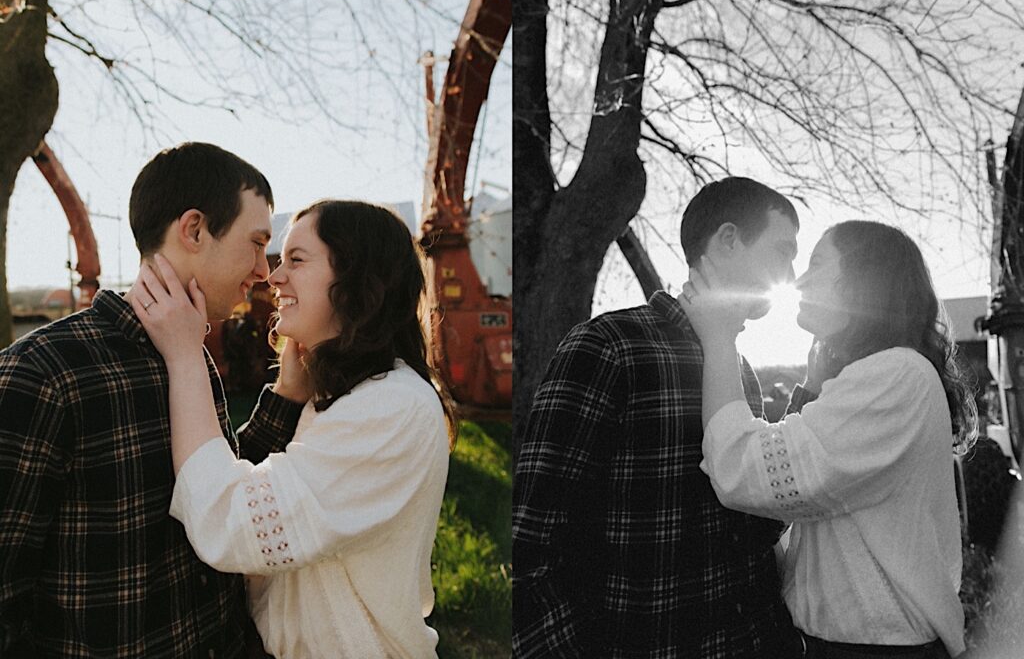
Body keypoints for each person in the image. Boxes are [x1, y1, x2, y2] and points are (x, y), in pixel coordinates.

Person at [0, 142, 303, 658]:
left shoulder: (187, 353)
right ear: (194, 230)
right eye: (255, 243)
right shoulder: (43, 373)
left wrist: (287, 394)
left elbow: (216, 490)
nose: (262, 269)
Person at [130, 199, 456, 659]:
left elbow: (230, 523)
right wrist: (289, 391)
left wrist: (185, 357)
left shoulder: (393, 406)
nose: (273, 276)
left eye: (296, 260)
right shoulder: (346, 397)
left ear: (360, 281)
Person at [513, 177, 802, 658]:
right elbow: (531, 549)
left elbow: (744, 536)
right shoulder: (609, 346)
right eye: (781, 252)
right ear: (729, 239)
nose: (790, 274)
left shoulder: (739, 373)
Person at [688, 220, 977, 658]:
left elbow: (744, 472)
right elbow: (810, 470)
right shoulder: (882, 375)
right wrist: (813, 385)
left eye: (817, 264)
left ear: (864, 280)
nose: (799, 279)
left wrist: (719, 338)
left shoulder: (896, 374)